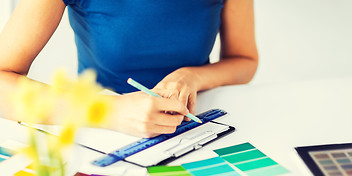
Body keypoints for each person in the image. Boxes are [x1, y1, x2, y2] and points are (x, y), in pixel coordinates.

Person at [0, 0, 258, 138]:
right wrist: (110, 112)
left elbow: (244, 60)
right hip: (98, 131)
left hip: (194, 126)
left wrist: (192, 76)